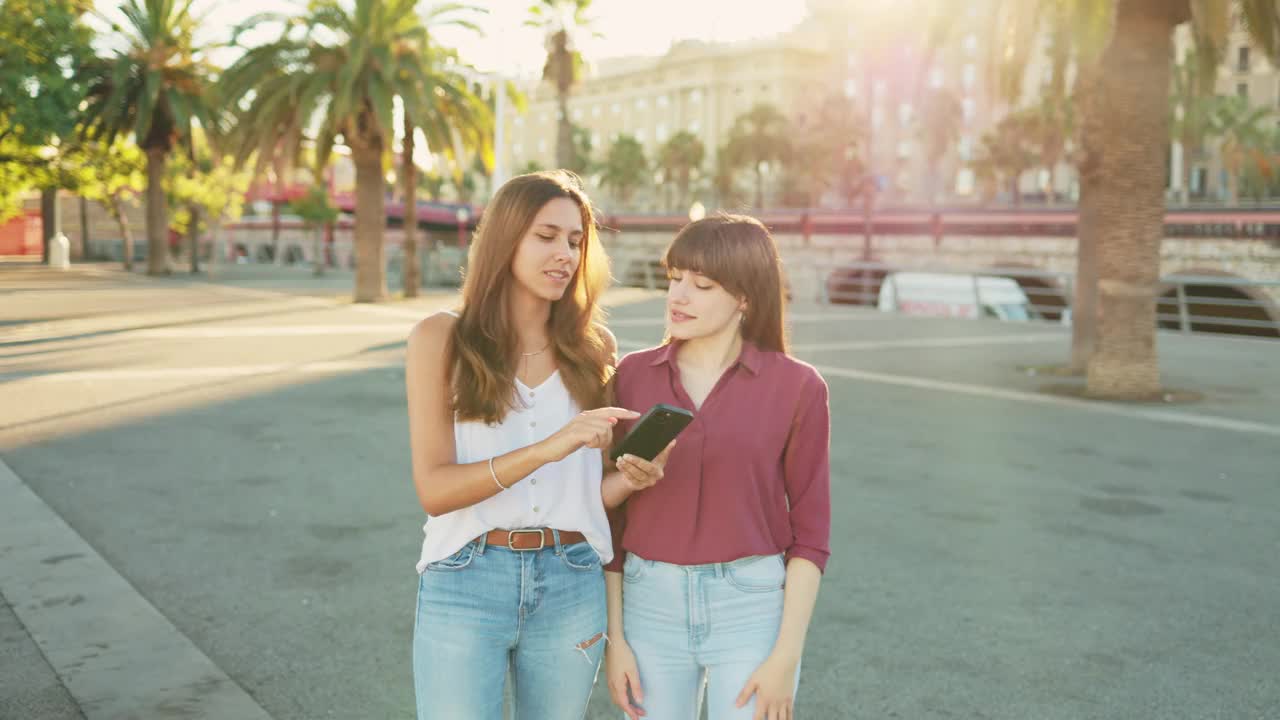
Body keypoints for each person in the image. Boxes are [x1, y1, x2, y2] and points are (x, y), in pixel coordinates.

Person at [404, 170, 637, 719]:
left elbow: (586, 492)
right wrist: (547, 447)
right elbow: (434, 489)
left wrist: (630, 478)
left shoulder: (594, 347)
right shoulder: (441, 338)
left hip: (572, 579)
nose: (566, 254)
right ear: (506, 238)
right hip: (466, 575)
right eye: (547, 236)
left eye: (576, 241)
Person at [601, 213, 832, 720]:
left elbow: (811, 534)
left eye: (701, 284)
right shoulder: (631, 375)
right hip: (648, 603)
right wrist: (614, 638)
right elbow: (608, 521)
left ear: (745, 297)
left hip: (751, 606)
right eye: (674, 279)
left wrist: (786, 656)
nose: (678, 296)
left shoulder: (800, 387)